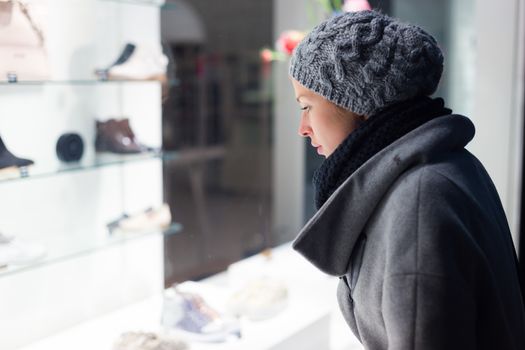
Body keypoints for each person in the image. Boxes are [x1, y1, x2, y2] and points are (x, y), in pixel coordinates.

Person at [289, 10, 525, 349]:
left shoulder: (418, 204)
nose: (303, 128)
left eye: (306, 106)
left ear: (357, 103)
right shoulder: (448, 164)